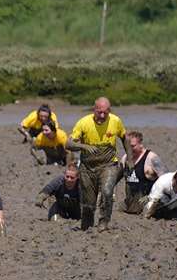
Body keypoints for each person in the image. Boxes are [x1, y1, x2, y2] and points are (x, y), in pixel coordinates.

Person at [67, 96, 127, 231]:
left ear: (109, 111)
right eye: (99, 112)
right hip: (87, 167)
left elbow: (124, 137)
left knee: (107, 191)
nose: (102, 115)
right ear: (94, 109)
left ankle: (104, 221)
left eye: (105, 113)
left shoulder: (115, 121)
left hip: (108, 164)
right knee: (88, 203)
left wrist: (129, 159)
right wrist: (83, 146)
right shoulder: (83, 123)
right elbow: (68, 143)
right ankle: (87, 225)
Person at [120, 131, 164, 213]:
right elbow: (115, 178)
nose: (129, 149)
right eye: (127, 146)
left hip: (147, 201)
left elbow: (165, 180)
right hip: (130, 202)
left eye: (132, 146)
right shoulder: (124, 159)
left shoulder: (151, 158)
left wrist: (151, 197)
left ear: (140, 144)